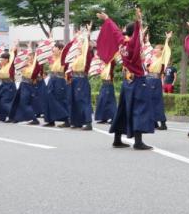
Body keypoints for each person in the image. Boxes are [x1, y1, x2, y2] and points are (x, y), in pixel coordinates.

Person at [95, 8, 155, 151]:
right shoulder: (133, 44)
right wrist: (138, 21)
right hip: (138, 81)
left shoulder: (122, 43)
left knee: (122, 109)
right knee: (140, 109)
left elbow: (116, 32)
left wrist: (108, 19)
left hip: (126, 82)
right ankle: (138, 141)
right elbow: (136, 38)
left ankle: (117, 139)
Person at [63, 26, 95, 130]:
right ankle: (77, 122)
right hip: (74, 79)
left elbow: (88, 45)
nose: (79, 45)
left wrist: (88, 34)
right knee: (75, 101)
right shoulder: (77, 56)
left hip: (82, 80)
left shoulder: (87, 55)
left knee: (83, 100)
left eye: (80, 43)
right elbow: (66, 53)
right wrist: (75, 38)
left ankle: (88, 122)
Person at [43, 39, 70, 127]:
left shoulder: (64, 58)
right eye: (53, 48)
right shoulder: (54, 58)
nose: (53, 49)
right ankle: (50, 120)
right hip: (52, 80)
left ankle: (67, 119)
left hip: (60, 80)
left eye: (55, 48)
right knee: (48, 99)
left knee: (60, 100)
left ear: (60, 49)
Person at [92, 50, 118, 125]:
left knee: (110, 102)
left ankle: (114, 118)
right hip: (104, 83)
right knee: (102, 100)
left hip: (109, 83)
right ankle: (103, 118)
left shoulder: (111, 62)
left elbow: (113, 63)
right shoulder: (104, 62)